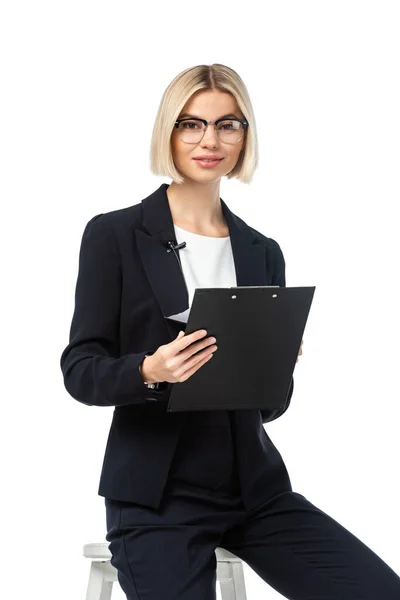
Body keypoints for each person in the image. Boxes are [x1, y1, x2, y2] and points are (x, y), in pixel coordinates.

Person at [60, 63, 400, 600]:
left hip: (256, 493)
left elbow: (270, 408)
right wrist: (149, 370)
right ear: (168, 131)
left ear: (245, 136)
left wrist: (274, 369)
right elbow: (80, 372)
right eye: (191, 124)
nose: (209, 140)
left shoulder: (263, 252)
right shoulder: (115, 235)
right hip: (156, 499)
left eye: (228, 124)